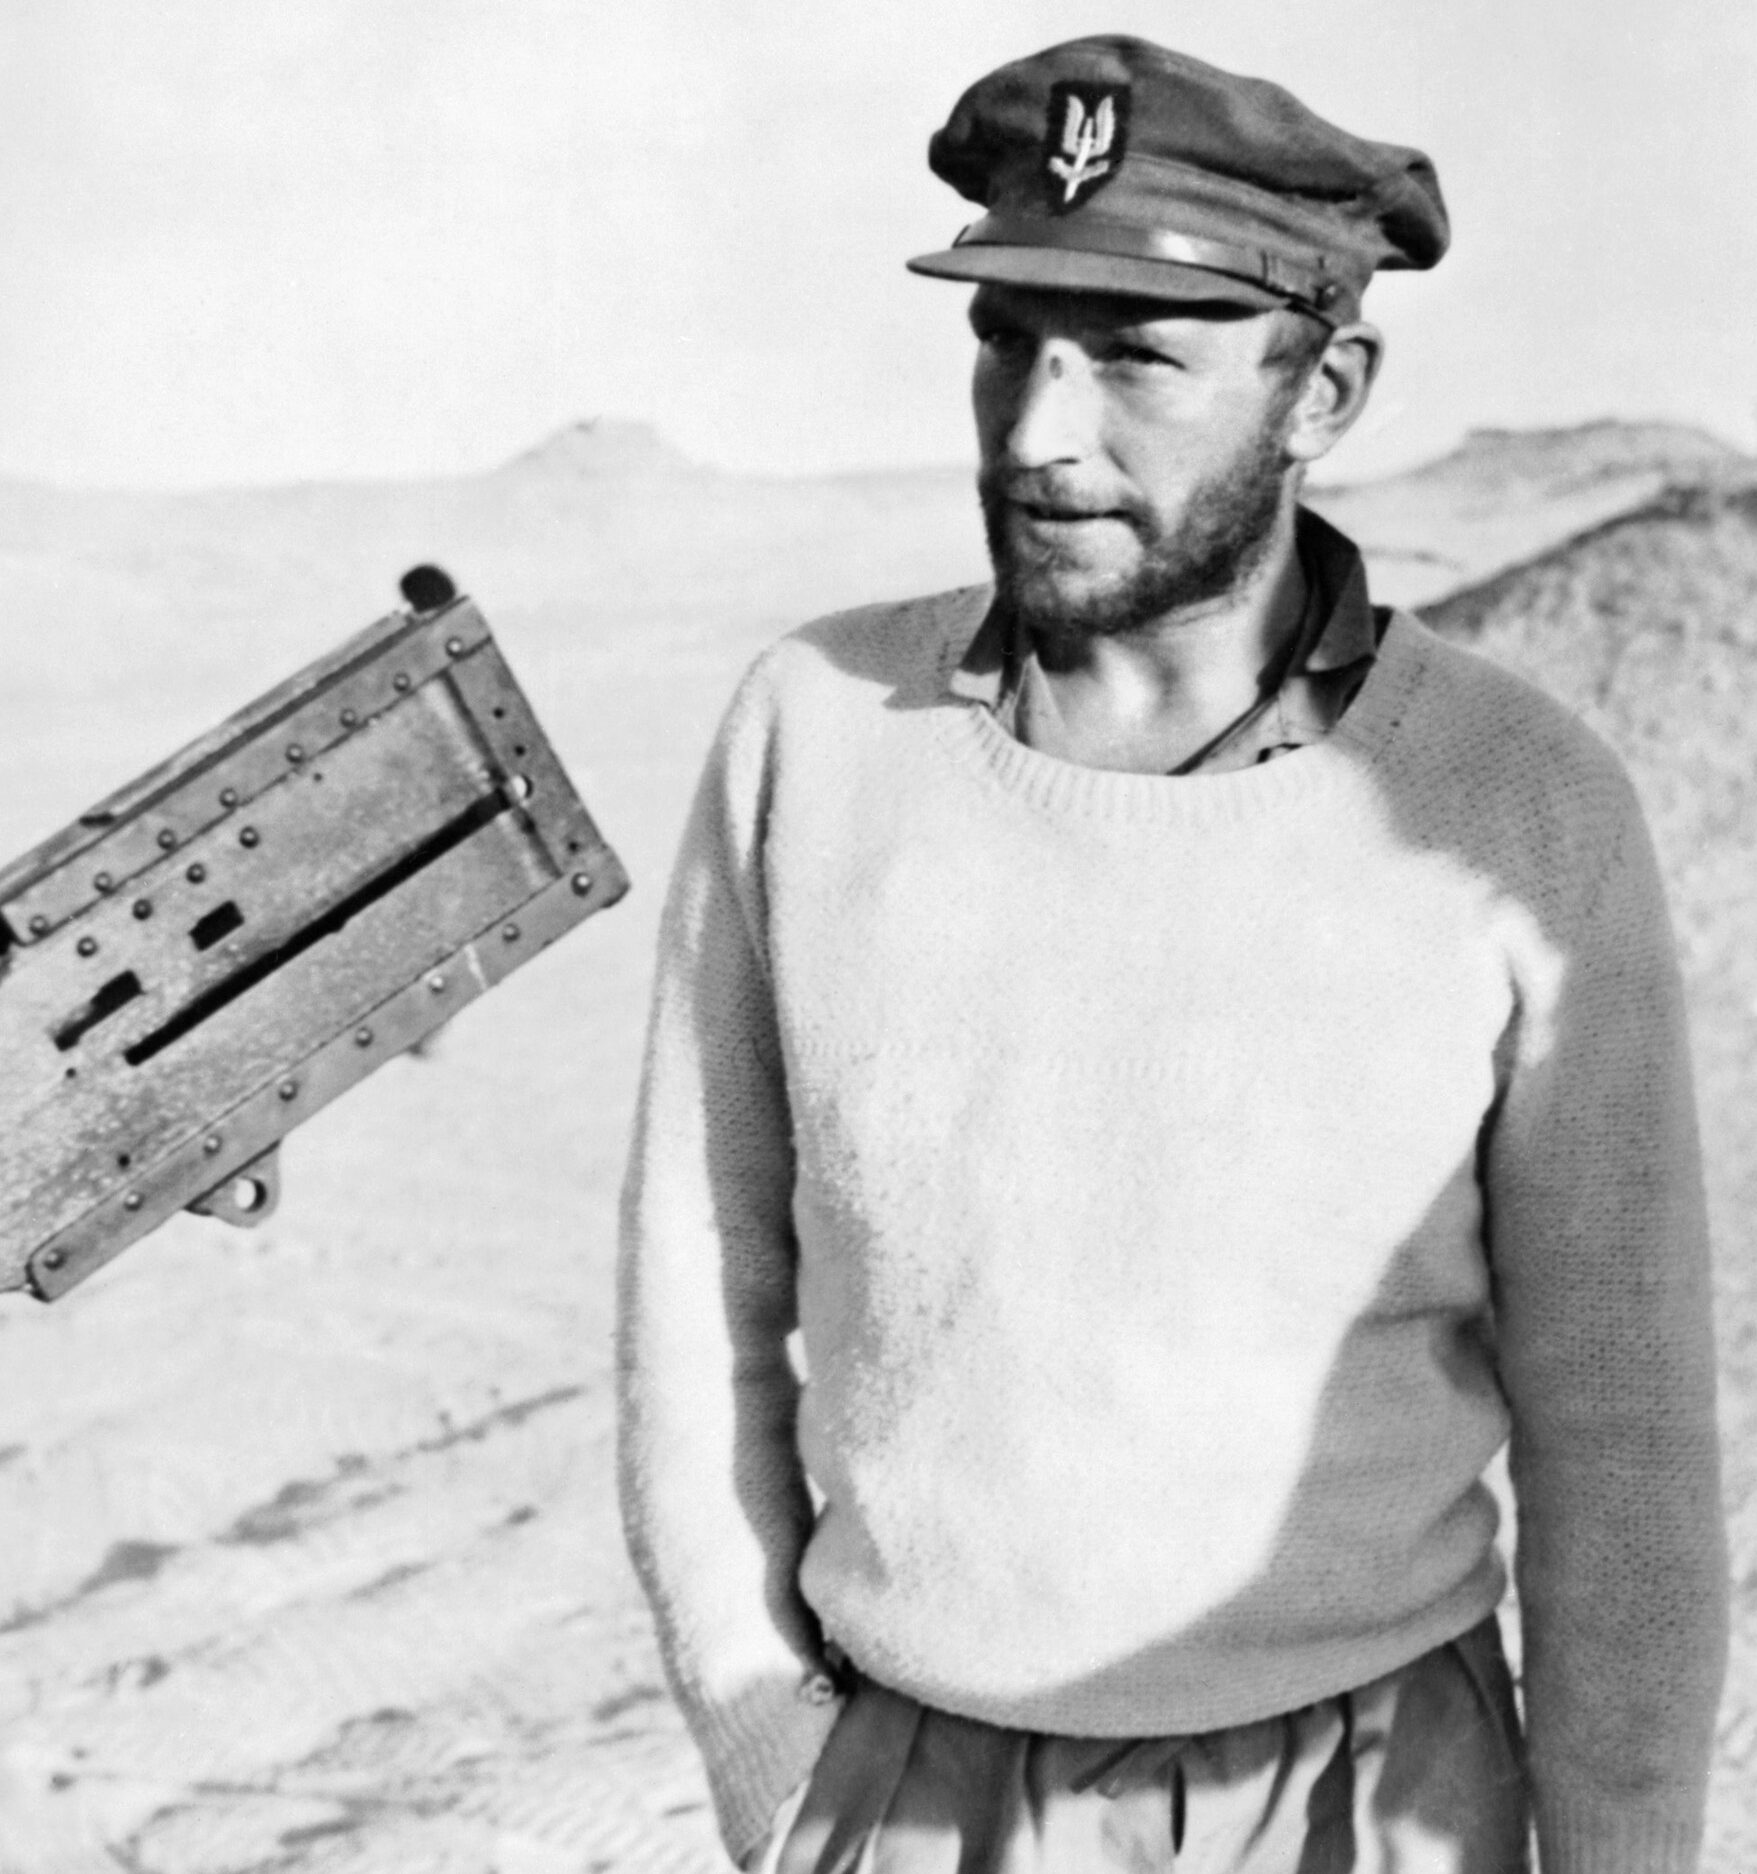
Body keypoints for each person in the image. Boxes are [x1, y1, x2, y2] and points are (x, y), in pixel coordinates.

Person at [617, 34, 1728, 1874]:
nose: (1038, 430)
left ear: (1324, 388)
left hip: (1376, 1809)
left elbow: (1619, 1445)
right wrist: (772, 1754)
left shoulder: (1518, 804)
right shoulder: (810, 733)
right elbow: (692, 1303)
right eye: (1004, 340)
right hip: (910, 1796)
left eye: (1133, 354)